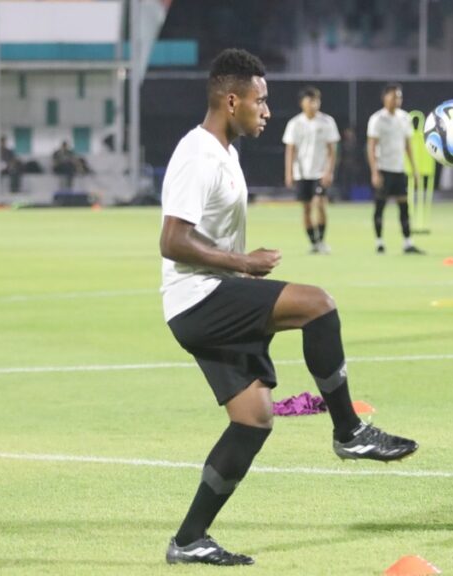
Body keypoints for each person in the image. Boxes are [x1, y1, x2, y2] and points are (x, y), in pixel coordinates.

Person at [159, 49, 418, 566]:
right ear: (231, 100)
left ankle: (188, 540)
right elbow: (172, 240)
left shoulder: (225, 152)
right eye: (261, 100)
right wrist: (242, 262)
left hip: (209, 296)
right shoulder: (198, 154)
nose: (267, 110)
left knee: (252, 420)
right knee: (318, 304)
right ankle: (349, 432)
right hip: (199, 298)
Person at [367, 83, 424, 254]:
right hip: (383, 168)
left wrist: (414, 168)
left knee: (404, 206)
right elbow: (371, 146)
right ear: (385, 98)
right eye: (393, 97)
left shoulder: (404, 117)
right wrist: (375, 171)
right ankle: (379, 242)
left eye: (399, 97)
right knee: (380, 206)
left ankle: (407, 242)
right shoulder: (377, 119)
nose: (397, 100)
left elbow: (408, 145)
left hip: (399, 169)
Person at [283, 86, 340, 254]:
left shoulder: (327, 121)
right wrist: (289, 172)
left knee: (320, 204)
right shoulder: (295, 124)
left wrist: (329, 171)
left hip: (320, 172)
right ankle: (313, 242)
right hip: (301, 172)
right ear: (302, 103)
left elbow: (332, 149)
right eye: (310, 101)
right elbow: (290, 149)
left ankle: (322, 240)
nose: (314, 104)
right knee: (306, 208)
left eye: (316, 101)